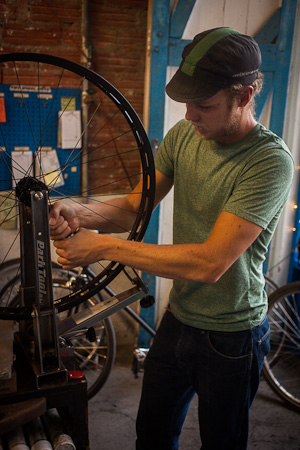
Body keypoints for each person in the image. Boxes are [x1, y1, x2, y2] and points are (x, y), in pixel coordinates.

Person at [49, 27, 294, 450]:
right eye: (186, 104)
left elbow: (210, 263)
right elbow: (133, 206)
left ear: (245, 95)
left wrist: (102, 245)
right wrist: (78, 211)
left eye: (204, 104)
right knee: (153, 435)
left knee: (223, 443)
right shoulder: (186, 136)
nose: (189, 116)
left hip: (232, 335)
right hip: (179, 319)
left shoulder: (269, 162)